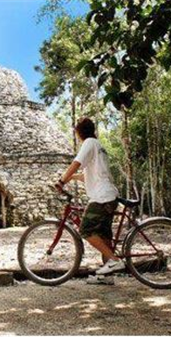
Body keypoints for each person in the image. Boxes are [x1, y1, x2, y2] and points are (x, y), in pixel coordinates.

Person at [56, 117, 124, 285]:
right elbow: (89, 174)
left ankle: (115, 260)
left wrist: (62, 181)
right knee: (103, 236)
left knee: (86, 230)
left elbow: (76, 163)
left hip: (101, 197)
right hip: (109, 195)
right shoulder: (98, 146)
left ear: (79, 132)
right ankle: (106, 276)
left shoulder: (88, 143)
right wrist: (71, 178)